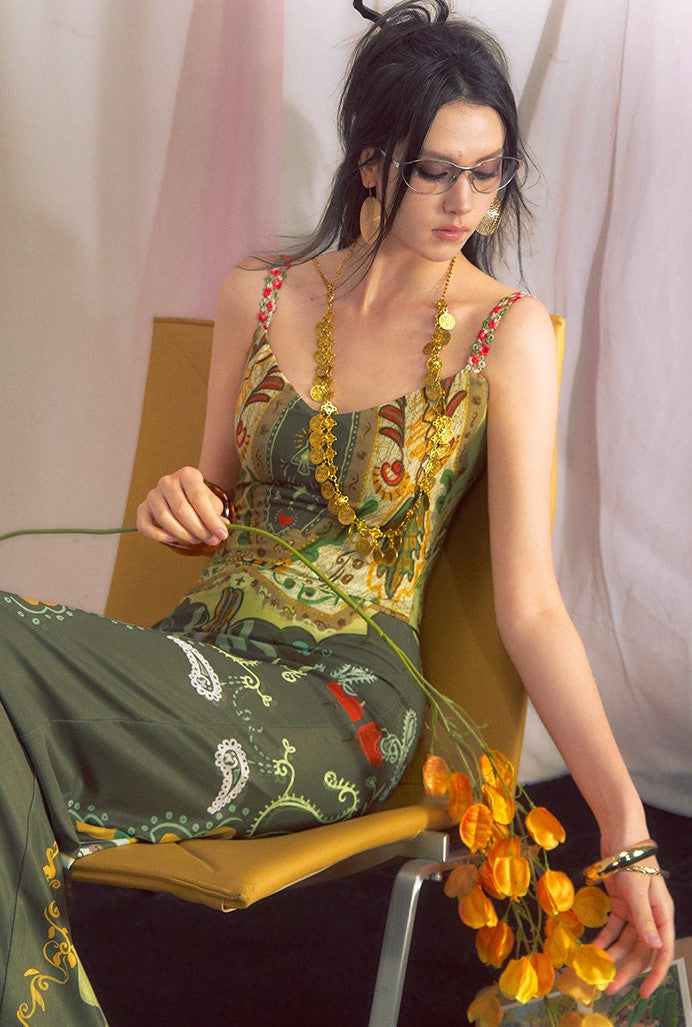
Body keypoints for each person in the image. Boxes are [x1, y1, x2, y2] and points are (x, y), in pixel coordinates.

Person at [0, 2, 674, 1022]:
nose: (463, 201)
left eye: (486, 171)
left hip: (337, 704)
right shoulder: (260, 296)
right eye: (433, 170)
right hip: (199, 654)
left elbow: (530, 605)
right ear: (370, 163)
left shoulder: (504, 334)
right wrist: (174, 499)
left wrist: (624, 830)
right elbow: (210, 495)